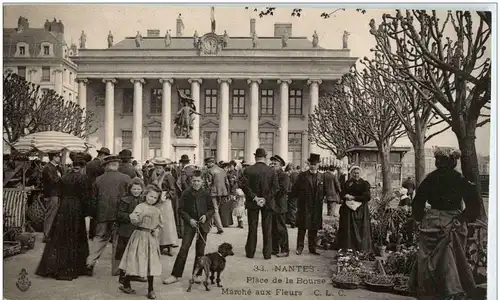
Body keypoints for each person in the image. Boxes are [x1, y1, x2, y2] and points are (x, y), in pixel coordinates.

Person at [409, 148, 480, 300]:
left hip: (431, 222)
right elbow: (474, 204)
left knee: (426, 259)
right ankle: (451, 291)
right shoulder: (460, 179)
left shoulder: (430, 178)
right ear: (453, 161)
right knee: (453, 258)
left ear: (438, 161)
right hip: (453, 222)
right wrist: (462, 217)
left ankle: (427, 292)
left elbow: (417, 203)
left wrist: (422, 217)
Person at [36, 154, 89, 280]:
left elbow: (59, 192)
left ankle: (54, 266)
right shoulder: (82, 178)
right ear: (81, 167)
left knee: (60, 235)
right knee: (75, 235)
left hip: (64, 207)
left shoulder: (64, 177)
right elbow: (85, 196)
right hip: (76, 207)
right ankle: (75, 266)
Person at [163, 170, 214, 285]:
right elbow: (180, 210)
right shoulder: (186, 193)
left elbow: (212, 209)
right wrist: (189, 219)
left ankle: (197, 274)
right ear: (191, 181)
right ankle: (175, 274)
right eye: (194, 181)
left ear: (202, 182)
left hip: (203, 226)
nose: (196, 183)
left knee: (200, 250)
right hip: (190, 225)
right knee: (184, 249)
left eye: (198, 181)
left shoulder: (206, 194)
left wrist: (206, 216)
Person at [86, 155, 131, 276]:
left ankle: (90, 263)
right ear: (117, 165)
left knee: (99, 238)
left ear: (106, 166)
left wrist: (93, 214)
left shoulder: (99, 179)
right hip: (119, 215)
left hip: (102, 215)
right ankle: (116, 269)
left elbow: (93, 199)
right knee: (117, 241)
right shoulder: (126, 178)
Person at [118, 184, 163, 299]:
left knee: (150, 262)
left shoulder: (157, 210)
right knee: (135, 260)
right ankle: (126, 282)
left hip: (151, 238)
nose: (151, 199)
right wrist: (142, 215)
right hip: (139, 236)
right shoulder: (140, 207)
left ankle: (151, 289)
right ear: (145, 194)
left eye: (155, 198)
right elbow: (134, 220)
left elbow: (160, 224)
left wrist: (157, 230)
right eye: (150, 196)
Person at [238, 148, 279, 260]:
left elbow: (244, 186)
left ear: (255, 157)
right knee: (267, 228)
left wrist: (255, 198)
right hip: (267, 202)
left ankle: (250, 253)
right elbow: (276, 188)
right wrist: (265, 199)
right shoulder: (271, 171)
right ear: (265, 157)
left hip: (253, 202)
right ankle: (267, 254)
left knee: (252, 227)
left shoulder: (248, 170)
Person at [290, 154, 325, 255]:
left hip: (316, 206)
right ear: (309, 164)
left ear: (318, 165)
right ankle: (299, 247)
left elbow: (324, 191)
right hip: (304, 205)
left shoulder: (321, 176)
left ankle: (312, 248)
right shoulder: (302, 175)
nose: (313, 166)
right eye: (311, 164)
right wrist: (295, 200)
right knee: (302, 227)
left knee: (314, 228)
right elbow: (295, 189)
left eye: (315, 164)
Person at [335, 166, 373, 252]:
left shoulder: (364, 184)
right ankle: (348, 246)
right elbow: (342, 193)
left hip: (360, 209)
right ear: (351, 173)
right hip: (348, 209)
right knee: (348, 228)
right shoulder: (347, 183)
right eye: (354, 173)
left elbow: (367, 196)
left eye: (357, 173)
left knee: (360, 228)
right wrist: (345, 196)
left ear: (360, 173)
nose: (356, 175)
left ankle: (359, 247)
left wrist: (354, 197)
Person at [116, 177, 146, 284]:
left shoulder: (144, 200)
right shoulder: (125, 200)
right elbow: (119, 215)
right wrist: (129, 216)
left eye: (138, 189)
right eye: (134, 189)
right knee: (126, 253)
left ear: (142, 189)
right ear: (130, 189)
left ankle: (134, 274)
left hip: (139, 231)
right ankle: (123, 276)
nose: (136, 191)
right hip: (126, 231)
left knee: (137, 253)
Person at [151, 158, 178, 256]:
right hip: (156, 200)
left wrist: (165, 196)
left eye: (160, 168)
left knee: (167, 223)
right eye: (156, 167)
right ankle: (160, 245)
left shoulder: (168, 176)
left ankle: (170, 246)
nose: (158, 169)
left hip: (165, 202)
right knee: (157, 222)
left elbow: (173, 190)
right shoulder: (154, 176)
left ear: (163, 168)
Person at [85, 147, 110, 240]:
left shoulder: (89, 164)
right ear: (102, 155)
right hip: (98, 190)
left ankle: (91, 233)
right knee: (98, 211)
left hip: (89, 190)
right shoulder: (101, 165)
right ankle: (96, 233)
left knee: (92, 211)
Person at [270, 155, 290, 257]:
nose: (273, 165)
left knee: (281, 229)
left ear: (281, 165)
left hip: (280, 205)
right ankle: (274, 249)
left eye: (275, 164)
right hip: (272, 205)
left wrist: (270, 194)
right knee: (273, 228)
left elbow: (284, 190)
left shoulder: (284, 175)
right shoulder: (271, 174)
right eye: (272, 163)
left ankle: (285, 250)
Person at [41, 150, 63, 243]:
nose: (59, 158)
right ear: (54, 157)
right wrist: (60, 177)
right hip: (52, 194)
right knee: (50, 214)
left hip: (56, 194)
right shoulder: (48, 168)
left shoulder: (56, 167)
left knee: (54, 214)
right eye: (58, 156)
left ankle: (50, 234)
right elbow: (53, 181)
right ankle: (46, 234)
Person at [204, 157, 229, 233]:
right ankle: (209, 227)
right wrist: (226, 192)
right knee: (215, 209)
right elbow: (227, 182)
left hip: (213, 192)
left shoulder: (210, 171)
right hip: (221, 193)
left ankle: (220, 228)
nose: (207, 165)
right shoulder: (222, 170)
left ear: (211, 163)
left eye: (207, 163)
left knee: (214, 210)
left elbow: (208, 183)